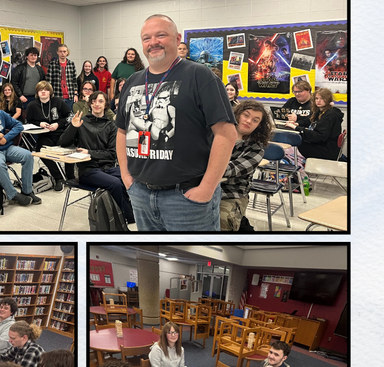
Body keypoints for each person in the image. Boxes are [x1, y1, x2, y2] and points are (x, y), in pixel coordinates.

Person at [116, 14, 237, 233]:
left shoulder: (200, 75)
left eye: (161, 35)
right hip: (141, 193)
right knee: (154, 259)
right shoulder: (133, 81)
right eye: (146, 38)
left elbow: (226, 134)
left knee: (195, 259)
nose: (153, 42)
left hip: (186, 197)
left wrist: (206, 189)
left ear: (177, 38)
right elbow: (122, 132)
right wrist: (126, 177)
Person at [59, 91, 134, 223]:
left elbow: (112, 154)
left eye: (100, 101)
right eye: (93, 101)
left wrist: (89, 152)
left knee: (129, 177)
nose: (96, 104)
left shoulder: (111, 126)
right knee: (115, 183)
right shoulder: (81, 122)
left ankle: (130, 217)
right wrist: (73, 127)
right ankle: (120, 221)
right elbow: (62, 143)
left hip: (107, 168)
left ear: (105, 105)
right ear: (90, 103)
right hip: (88, 170)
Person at [219, 100, 272, 232]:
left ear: (259, 125)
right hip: (203, 185)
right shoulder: (217, 134)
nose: (248, 121)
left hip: (231, 193)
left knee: (222, 220)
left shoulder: (256, 148)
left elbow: (231, 169)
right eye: (246, 115)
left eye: (255, 120)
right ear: (237, 114)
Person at [24, 81, 71, 191]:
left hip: (61, 133)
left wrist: (58, 124)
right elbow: (28, 121)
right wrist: (39, 124)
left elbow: (69, 116)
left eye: (46, 90)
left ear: (50, 92)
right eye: (41, 90)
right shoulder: (32, 105)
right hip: (44, 136)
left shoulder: (58, 101)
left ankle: (70, 176)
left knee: (70, 146)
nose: (43, 92)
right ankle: (58, 177)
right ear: (37, 93)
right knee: (40, 151)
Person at [294, 88, 344, 161]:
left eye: (322, 98)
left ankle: (299, 169)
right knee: (297, 142)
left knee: (295, 144)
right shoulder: (322, 111)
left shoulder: (330, 115)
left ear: (328, 99)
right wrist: (297, 123)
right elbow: (310, 120)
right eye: (316, 98)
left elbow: (319, 136)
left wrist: (297, 128)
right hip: (325, 146)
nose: (318, 101)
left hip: (327, 151)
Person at [11, 47, 46, 115]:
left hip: (37, 98)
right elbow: (14, 82)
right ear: (27, 56)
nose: (33, 57)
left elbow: (43, 83)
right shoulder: (20, 68)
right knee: (26, 118)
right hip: (24, 99)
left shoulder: (40, 69)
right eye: (31, 55)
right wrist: (20, 95)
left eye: (35, 55)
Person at [45, 43, 77, 109]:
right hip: (57, 95)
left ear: (67, 52)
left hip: (70, 96)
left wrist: (76, 94)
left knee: (69, 117)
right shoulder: (52, 64)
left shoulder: (71, 64)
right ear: (57, 52)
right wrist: (50, 95)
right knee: (57, 116)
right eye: (60, 51)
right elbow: (49, 82)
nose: (62, 53)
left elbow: (74, 81)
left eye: (64, 51)